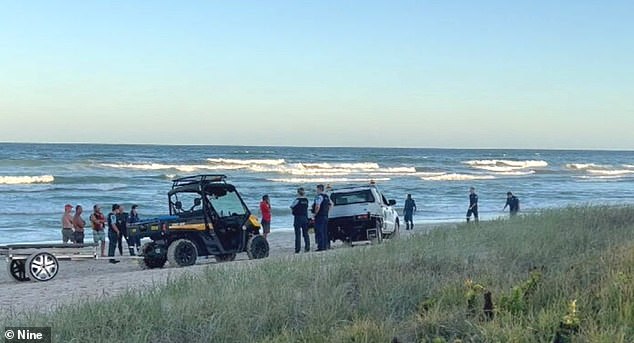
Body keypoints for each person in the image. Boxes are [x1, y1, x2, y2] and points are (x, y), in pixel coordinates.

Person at [290, 187, 310, 253]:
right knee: (306, 234)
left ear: (298, 193)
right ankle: (307, 247)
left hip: (298, 218)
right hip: (305, 217)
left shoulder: (297, 200)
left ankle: (297, 249)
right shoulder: (306, 200)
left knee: (298, 234)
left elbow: (292, 206)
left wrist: (294, 211)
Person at [312, 184, 332, 251]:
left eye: (317, 189)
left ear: (319, 189)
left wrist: (315, 214)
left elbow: (317, 206)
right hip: (325, 216)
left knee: (319, 231)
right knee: (324, 232)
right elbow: (331, 205)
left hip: (320, 216)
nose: (316, 190)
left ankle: (320, 247)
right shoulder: (326, 196)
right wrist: (327, 212)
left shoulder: (319, 197)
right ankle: (325, 246)